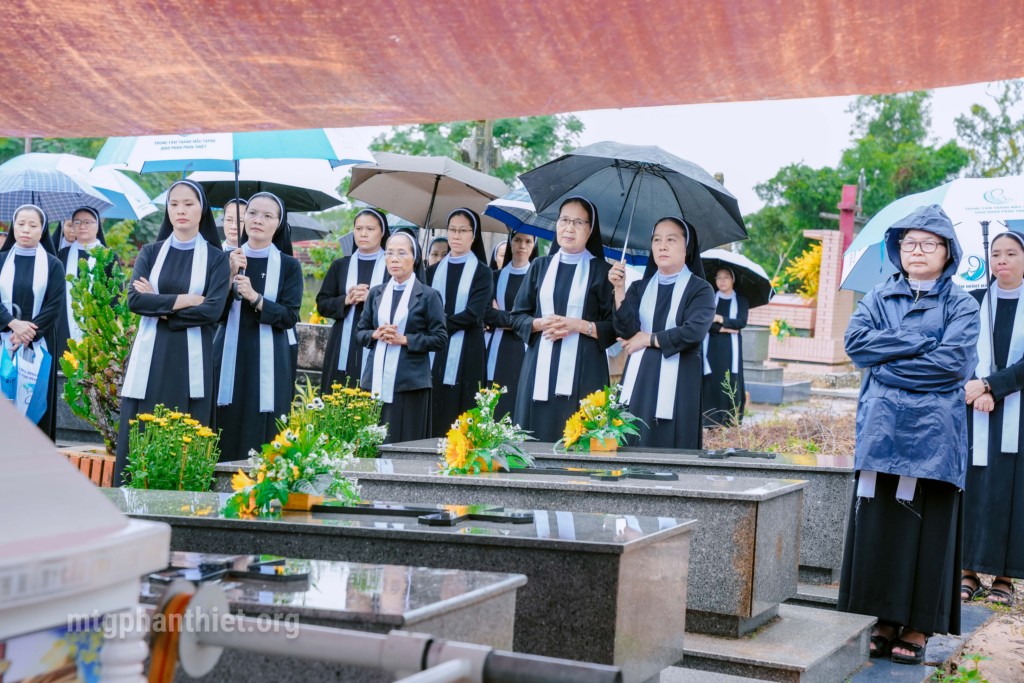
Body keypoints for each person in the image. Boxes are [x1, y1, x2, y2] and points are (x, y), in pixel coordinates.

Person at [840, 205, 980, 665]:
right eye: (908, 242)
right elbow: (856, 344)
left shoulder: (961, 304)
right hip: (882, 428)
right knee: (881, 524)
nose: (916, 250)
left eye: (928, 243)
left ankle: (918, 624)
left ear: (947, 251)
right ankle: (882, 618)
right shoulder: (879, 296)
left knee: (927, 528)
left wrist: (887, 363)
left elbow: (953, 365)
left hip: (934, 436)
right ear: (896, 248)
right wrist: (919, 342)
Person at [117, 181, 231, 481]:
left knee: (186, 432)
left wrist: (160, 306)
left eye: (189, 204)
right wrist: (186, 299)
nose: (181, 210)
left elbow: (213, 311)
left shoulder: (217, 259)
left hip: (192, 359)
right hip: (151, 356)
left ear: (202, 210)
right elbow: (135, 300)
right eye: (174, 204)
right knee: (143, 430)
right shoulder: (150, 253)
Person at [510, 197, 615, 442]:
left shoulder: (603, 271)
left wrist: (578, 325)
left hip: (585, 369)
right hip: (539, 368)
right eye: (564, 220)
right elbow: (516, 317)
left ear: (590, 229)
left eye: (578, 222)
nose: (569, 228)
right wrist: (540, 323)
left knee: (581, 441)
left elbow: (615, 328)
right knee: (533, 440)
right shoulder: (539, 266)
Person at [609, 217, 716, 448]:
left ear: (687, 248)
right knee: (632, 440)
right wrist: (619, 290)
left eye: (671, 240)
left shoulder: (700, 290)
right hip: (640, 379)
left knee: (671, 448)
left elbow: (693, 332)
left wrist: (647, 339)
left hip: (679, 382)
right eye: (657, 240)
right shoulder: (639, 287)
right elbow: (626, 330)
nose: (662, 246)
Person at [961, 230, 1024, 608]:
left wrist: (991, 385)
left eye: (1012, 253)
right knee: (973, 483)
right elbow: (961, 350)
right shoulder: (974, 302)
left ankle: (1005, 576)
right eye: (996, 253)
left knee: (1011, 488)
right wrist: (977, 388)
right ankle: (967, 570)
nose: (1002, 260)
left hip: (1019, 410)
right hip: (974, 407)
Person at [216, 192, 303, 462]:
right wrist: (230, 274)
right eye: (252, 213)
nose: (258, 220)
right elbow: (212, 312)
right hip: (228, 352)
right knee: (224, 421)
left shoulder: (289, 266)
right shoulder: (225, 259)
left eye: (267, 215)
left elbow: (289, 316)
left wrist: (256, 298)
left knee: (262, 423)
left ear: (278, 223)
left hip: (270, 357)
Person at [356, 230, 447, 442]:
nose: (394, 258)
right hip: (375, 380)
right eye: (389, 253)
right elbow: (359, 333)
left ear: (415, 258)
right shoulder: (376, 293)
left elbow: (440, 338)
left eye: (401, 253)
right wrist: (375, 334)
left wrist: (405, 339)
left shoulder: (428, 295)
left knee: (405, 441)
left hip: (410, 383)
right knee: (373, 441)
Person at [425, 208, 493, 436]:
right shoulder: (431, 271)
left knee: (464, 410)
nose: (456, 235)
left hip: (468, 349)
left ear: (473, 235)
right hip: (435, 347)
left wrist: (439, 324)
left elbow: (473, 314)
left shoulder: (483, 272)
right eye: (452, 230)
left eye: (463, 230)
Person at [0, 205, 65, 439]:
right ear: (13, 227)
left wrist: (27, 333)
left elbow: (54, 305)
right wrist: (12, 323)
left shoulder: (53, 265)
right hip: (3, 338)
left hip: (39, 342)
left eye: (33, 225)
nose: (26, 229)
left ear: (42, 230)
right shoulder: (1, 260)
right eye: (21, 224)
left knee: (35, 402)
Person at [318, 208, 390, 392]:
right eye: (359, 229)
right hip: (342, 342)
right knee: (336, 395)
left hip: (379, 341)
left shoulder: (392, 267)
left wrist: (372, 298)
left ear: (382, 232)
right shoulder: (340, 266)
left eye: (370, 229)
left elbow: (403, 306)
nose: (363, 234)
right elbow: (322, 305)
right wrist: (346, 300)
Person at [484, 231, 538, 417]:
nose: (522, 245)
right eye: (517, 240)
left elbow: (537, 316)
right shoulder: (495, 277)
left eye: (528, 241)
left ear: (533, 245)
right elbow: (487, 314)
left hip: (525, 347)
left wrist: (501, 316)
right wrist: (522, 320)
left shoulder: (538, 278)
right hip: (497, 347)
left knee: (519, 402)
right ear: (510, 242)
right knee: (494, 403)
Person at [56, 206, 119, 358]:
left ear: (97, 226)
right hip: (64, 324)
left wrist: (104, 325)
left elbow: (115, 295)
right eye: (77, 222)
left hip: (97, 326)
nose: (82, 226)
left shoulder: (108, 256)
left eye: (87, 222)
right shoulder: (62, 255)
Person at [701, 267, 749, 427]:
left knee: (731, 380)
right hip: (711, 348)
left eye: (726, 277)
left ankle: (731, 420)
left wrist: (719, 318)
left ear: (733, 279)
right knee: (712, 380)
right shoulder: (708, 300)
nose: (722, 280)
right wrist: (725, 328)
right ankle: (711, 421)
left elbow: (741, 322)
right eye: (718, 277)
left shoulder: (741, 301)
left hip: (731, 350)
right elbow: (704, 323)